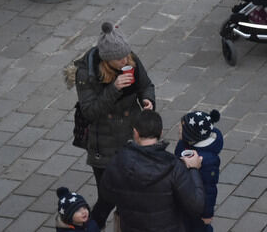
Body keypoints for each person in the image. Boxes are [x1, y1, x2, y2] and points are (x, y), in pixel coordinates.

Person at [74, 22, 156, 230]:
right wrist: (114, 88)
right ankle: (92, 226)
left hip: (131, 136)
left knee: (131, 192)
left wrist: (148, 100)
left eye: (127, 56)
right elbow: (90, 111)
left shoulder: (130, 58)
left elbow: (146, 85)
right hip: (104, 143)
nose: (127, 60)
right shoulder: (87, 74)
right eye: (121, 59)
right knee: (107, 196)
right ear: (107, 59)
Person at [98, 110, 204, 232]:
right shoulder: (174, 167)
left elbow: (107, 194)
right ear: (161, 132)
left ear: (135, 133)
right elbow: (196, 205)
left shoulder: (118, 161)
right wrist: (194, 169)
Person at [175, 109, 223, 231]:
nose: (178, 130)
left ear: (191, 136)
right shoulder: (185, 144)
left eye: (181, 128)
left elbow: (210, 189)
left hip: (198, 205)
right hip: (185, 197)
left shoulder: (208, 161)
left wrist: (207, 213)